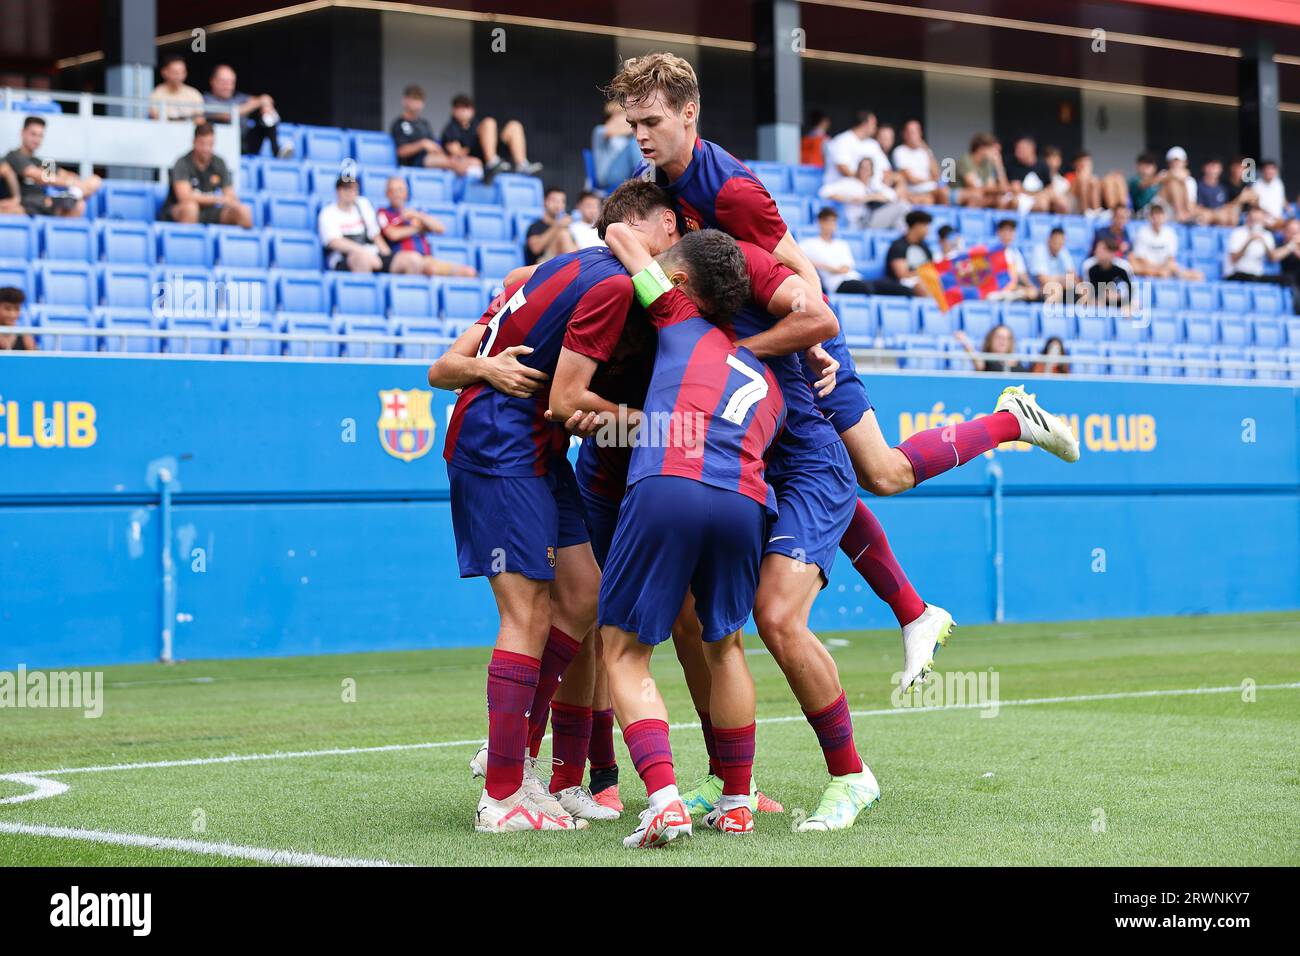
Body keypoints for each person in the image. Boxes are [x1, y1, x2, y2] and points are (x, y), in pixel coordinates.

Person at [606, 52, 1081, 829]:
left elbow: (799, 273)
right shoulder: (660, 194)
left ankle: (1010, 423)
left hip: (804, 353)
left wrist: (785, 343)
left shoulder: (728, 188)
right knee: (708, 614)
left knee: (879, 473)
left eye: (652, 122)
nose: (642, 136)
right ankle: (737, 784)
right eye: (633, 124)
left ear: (690, 114)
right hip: (758, 392)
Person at [426, 235, 634, 833]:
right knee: (526, 613)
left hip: (543, 455)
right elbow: (442, 368)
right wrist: (484, 367)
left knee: (583, 595)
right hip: (499, 450)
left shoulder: (549, 285)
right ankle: (502, 795)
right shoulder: (527, 286)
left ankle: (513, 758)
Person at [589, 225, 783, 847]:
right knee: (725, 646)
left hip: (668, 482)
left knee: (622, 650)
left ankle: (665, 800)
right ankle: (735, 801)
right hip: (746, 502)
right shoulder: (770, 379)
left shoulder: (674, 316)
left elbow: (621, 235)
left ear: (680, 284)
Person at [377, 176, 476, 277]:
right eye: (392, 190)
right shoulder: (383, 212)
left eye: (400, 190)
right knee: (427, 267)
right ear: (387, 194)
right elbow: (393, 234)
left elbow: (440, 228)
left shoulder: (416, 213)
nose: (396, 194)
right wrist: (418, 228)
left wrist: (417, 215)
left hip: (427, 259)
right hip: (404, 259)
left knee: (468, 272)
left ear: (406, 193)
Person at [4, 116, 101, 218]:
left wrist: (78, 183)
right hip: (25, 205)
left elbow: (65, 175)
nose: (36, 140)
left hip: (46, 204)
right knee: (74, 198)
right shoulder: (13, 156)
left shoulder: (41, 162)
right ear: (22, 132)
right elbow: (40, 176)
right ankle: (74, 194)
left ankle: (74, 194)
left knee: (95, 181)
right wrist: (71, 182)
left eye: (40, 136)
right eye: (33, 134)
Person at [160, 123, 252, 228]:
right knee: (191, 208)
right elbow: (184, 197)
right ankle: (188, 243)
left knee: (243, 211)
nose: (206, 148)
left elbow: (229, 195)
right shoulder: (182, 163)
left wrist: (232, 202)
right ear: (194, 142)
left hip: (210, 211)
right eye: (202, 143)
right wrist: (216, 199)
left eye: (210, 144)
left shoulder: (219, 162)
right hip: (179, 210)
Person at [441, 93, 541, 179]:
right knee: (489, 122)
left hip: (494, 156)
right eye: (460, 107)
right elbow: (456, 153)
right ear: (453, 110)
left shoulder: (476, 124)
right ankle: (492, 163)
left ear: (472, 110)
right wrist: (468, 150)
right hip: (474, 162)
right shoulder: (451, 128)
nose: (464, 111)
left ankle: (522, 164)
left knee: (514, 126)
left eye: (467, 107)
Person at [203, 64, 287, 158]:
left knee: (267, 115)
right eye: (223, 81)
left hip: (246, 144)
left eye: (231, 82)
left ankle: (276, 150)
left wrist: (265, 106)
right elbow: (228, 114)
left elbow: (265, 99)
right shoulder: (206, 100)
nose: (227, 86)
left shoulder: (239, 98)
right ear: (213, 81)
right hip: (221, 146)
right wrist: (258, 102)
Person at [390, 85, 475, 175]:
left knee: (474, 162)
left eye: (419, 100)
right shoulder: (399, 124)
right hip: (413, 163)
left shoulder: (424, 124)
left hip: (432, 160)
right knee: (454, 164)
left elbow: (433, 146)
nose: (416, 103)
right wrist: (422, 144)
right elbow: (400, 152)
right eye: (413, 99)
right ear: (404, 100)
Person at [318, 177, 389, 273]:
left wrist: (388, 256)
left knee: (410, 259)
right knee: (361, 259)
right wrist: (364, 253)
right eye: (346, 188)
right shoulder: (328, 212)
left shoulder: (363, 204)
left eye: (353, 189)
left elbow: (375, 235)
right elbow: (334, 242)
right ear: (338, 191)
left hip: (373, 253)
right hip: (344, 258)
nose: (350, 192)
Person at [819, 156, 908, 230]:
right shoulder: (849, 183)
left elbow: (892, 195)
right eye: (863, 168)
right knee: (902, 207)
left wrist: (867, 198)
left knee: (902, 209)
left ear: (871, 171)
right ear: (858, 169)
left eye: (868, 168)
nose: (865, 171)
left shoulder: (874, 185)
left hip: (874, 217)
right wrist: (848, 199)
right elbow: (824, 191)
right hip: (859, 222)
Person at [799, 207, 869, 293]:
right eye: (828, 221)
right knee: (865, 287)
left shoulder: (842, 244)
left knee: (875, 287)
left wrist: (829, 268)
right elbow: (797, 258)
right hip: (836, 283)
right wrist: (821, 266)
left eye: (833, 221)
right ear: (820, 222)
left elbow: (846, 267)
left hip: (854, 278)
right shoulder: (809, 244)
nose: (831, 225)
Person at [1130, 202, 1203, 280]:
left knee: (1197, 275)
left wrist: (1162, 268)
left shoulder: (1170, 233)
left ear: (1164, 217)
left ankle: (1162, 274)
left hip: (1164, 267)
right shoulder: (1142, 232)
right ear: (1150, 218)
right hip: (1148, 267)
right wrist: (1157, 269)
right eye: (1155, 216)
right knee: (1134, 265)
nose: (1157, 220)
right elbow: (1140, 258)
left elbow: (1171, 258)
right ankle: (1159, 274)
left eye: (1159, 216)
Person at [824, 112, 892, 192]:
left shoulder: (872, 144)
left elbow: (886, 169)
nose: (875, 128)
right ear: (864, 124)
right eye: (874, 124)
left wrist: (886, 183)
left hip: (872, 190)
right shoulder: (842, 140)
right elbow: (843, 168)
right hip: (844, 188)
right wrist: (865, 184)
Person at [1223, 203, 1290, 282]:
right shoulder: (1238, 233)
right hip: (1236, 273)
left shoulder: (1267, 235)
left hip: (1256, 275)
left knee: (1285, 280)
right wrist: (1249, 240)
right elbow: (1234, 259)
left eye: (1258, 220)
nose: (1255, 223)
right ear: (1248, 218)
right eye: (1253, 219)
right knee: (1251, 278)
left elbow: (1272, 258)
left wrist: (1264, 243)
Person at [873, 210, 932, 297]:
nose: (928, 230)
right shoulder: (899, 246)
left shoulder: (925, 247)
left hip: (924, 280)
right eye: (925, 226)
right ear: (917, 226)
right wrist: (923, 274)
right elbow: (902, 274)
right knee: (921, 286)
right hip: (902, 283)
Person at [890, 119, 948, 206]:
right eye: (911, 132)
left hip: (932, 189)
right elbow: (911, 179)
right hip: (914, 191)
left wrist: (927, 150)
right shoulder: (899, 151)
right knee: (928, 200)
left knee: (945, 192)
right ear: (905, 134)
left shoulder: (925, 151)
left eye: (916, 132)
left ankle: (945, 218)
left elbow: (936, 174)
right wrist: (930, 179)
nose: (914, 135)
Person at [591, 101, 641, 189]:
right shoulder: (599, 131)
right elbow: (609, 131)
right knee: (635, 143)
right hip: (606, 176)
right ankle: (647, 182)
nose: (624, 119)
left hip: (627, 173)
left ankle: (647, 179)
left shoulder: (628, 136)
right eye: (621, 114)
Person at [525, 187, 578, 266]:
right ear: (545, 201)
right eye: (554, 201)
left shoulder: (565, 227)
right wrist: (557, 225)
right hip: (541, 266)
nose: (558, 205)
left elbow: (577, 250)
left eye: (562, 201)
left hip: (560, 265)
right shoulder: (535, 226)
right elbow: (535, 249)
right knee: (563, 234)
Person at [956, 133, 1010, 208]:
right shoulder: (965, 161)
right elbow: (975, 187)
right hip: (958, 197)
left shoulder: (987, 164)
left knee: (1000, 199)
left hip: (979, 196)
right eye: (993, 149)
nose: (996, 154)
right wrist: (1001, 189)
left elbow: (992, 187)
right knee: (976, 197)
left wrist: (999, 166)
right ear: (981, 148)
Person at [989, 218, 1038, 301]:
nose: (1008, 235)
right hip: (996, 290)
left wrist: (1030, 286)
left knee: (1032, 292)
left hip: (1012, 290)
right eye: (1005, 231)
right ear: (999, 233)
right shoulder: (992, 252)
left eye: (1011, 231)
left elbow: (1022, 275)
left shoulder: (1015, 253)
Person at [954, 323, 1030, 373]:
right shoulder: (986, 361)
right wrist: (966, 343)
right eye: (999, 337)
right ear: (991, 339)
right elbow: (978, 363)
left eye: (1007, 338)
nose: (1002, 341)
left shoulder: (1018, 363)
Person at [148, 55, 205, 122]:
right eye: (175, 72)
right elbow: (155, 116)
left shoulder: (193, 94)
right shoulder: (157, 94)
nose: (179, 75)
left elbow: (200, 120)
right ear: (164, 72)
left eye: (182, 72)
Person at [1084, 237, 1134, 307]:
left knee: (1132, 306)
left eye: (1103, 249)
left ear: (1112, 253)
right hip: (1098, 302)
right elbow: (1087, 290)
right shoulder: (1089, 266)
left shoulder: (1124, 267)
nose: (1097, 251)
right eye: (1097, 248)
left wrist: (1116, 296)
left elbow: (1130, 291)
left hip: (1121, 303)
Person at [1030, 226, 1077, 300]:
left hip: (1063, 288)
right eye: (1056, 242)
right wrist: (1063, 279)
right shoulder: (1039, 251)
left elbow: (1073, 277)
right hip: (1040, 291)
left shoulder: (1063, 251)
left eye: (1061, 242)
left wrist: (1056, 279)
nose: (1058, 245)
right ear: (1049, 240)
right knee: (1055, 290)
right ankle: (1053, 312)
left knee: (1083, 290)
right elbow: (1044, 281)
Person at [1254, 160, 1288, 228]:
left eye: (1272, 169)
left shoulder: (1278, 182)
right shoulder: (1256, 185)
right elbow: (1256, 205)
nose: (1269, 171)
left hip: (1280, 217)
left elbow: (1283, 200)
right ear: (1262, 171)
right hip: (1264, 218)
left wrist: (1289, 211)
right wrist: (1274, 217)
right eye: (1267, 169)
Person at [0, 287, 35, 351]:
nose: (12, 314)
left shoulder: (25, 337)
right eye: (7, 309)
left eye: (17, 309)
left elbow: (34, 359)